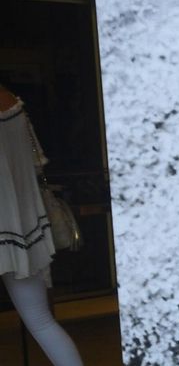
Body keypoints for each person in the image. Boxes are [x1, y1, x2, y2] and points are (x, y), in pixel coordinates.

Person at [0, 85, 84, 366]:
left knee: (41, 321)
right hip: (23, 226)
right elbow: (37, 163)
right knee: (42, 322)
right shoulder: (12, 102)